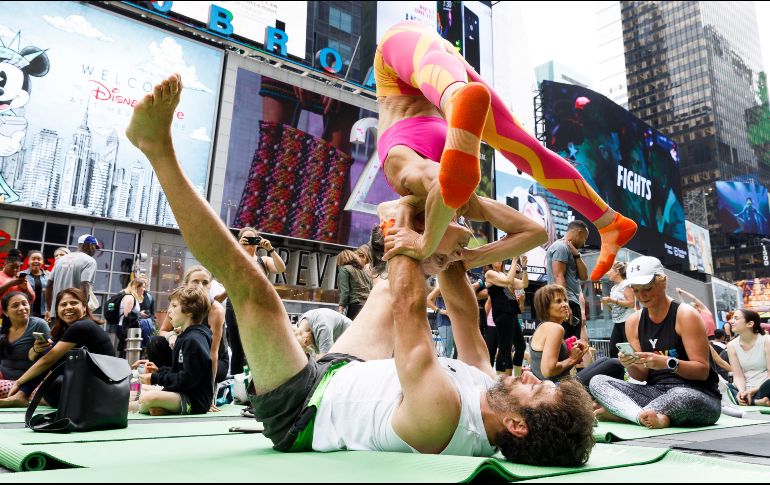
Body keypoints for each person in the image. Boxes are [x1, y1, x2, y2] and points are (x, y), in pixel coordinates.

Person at [124, 74, 596, 465]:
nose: (534, 377)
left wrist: (404, 224)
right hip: (347, 372)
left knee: (252, 288)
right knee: (394, 283)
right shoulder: (492, 389)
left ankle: (157, 149)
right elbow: (464, 317)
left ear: (516, 425)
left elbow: (413, 310)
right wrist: (450, 236)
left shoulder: (444, 419)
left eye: (538, 392)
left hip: (302, 410)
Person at [375, 21, 636, 280]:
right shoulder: (464, 205)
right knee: (528, 151)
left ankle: (456, 99)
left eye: (443, 257)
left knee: (450, 91)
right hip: (441, 75)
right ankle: (609, 221)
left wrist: (424, 247)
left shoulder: (401, 176)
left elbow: (439, 183)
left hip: (401, 64)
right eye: (449, 260)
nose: (456, 252)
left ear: (420, 227)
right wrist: (475, 257)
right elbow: (535, 233)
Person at [589, 256, 721, 429]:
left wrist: (667, 363)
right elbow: (641, 375)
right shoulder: (633, 321)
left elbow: (702, 372)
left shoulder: (685, 315)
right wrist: (630, 364)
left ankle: (626, 414)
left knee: (680, 395)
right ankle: (651, 416)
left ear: (663, 282)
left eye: (648, 288)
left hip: (697, 393)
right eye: (636, 290)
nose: (642, 295)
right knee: (598, 381)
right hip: (655, 392)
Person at [6, 288, 115, 408]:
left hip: (102, 388)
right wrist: (37, 349)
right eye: (63, 304)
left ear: (84, 307)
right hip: (91, 385)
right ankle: (22, 396)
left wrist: (19, 382)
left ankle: (23, 396)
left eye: (74, 303)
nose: (68, 307)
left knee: (54, 383)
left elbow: (47, 361)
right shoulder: (63, 330)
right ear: (57, 310)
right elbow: (32, 357)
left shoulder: (82, 326)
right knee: (48, 355)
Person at [130, 285, 213, 415]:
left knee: (149, 397)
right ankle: (160, 408)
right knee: (139, 388)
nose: (169, 311)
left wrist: (156, 378)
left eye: (174, 306)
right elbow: (180, 371)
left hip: (194, 401)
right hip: (181, 393)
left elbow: (187, 380)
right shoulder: (184, 337)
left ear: (190, 311)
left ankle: (128, 407)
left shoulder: (194, 340)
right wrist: (160, 370)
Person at [216, 227, 285, 376]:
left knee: (257, 348)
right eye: (246, 240)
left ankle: (257, 381)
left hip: (257, 309)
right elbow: (223, 277)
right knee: (237, 350)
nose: (250, 244)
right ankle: (236, 386)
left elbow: (281, 268)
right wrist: (237, 249)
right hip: (235, 307)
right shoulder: (234, 259)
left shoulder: (263, 260)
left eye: (253, 239)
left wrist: (271, 250)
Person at [149, 266, 228, 387]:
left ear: (210, 286)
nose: (200, 286)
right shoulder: (177, 303)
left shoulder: (216, 309)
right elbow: (163, 330)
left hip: (211, 359)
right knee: (156, 342)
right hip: (186, 353)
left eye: (205, 282)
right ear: (185, 284)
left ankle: (190, 391)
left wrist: (209, 392)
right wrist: (172, 336)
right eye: (195, 281)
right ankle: (165, 382)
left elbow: (213, 353)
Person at [529, 285, 624, 385]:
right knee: (615, 364)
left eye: (565, 300)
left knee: (604, 360)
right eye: (558, 301)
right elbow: (548, 371)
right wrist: (572, 359)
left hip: (549, 388)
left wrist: (575, 354)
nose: (565, 304)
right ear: (546, 307)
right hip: (555, 391)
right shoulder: (555, 328)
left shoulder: (543, 327)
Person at [0, 292, 50, 402]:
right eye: (15, 305)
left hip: (28, 385)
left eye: (24, 303)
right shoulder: (2, 331)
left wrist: (36, 349)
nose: (22, 308)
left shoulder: (39, 325)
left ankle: (21, 398)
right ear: (5, 312)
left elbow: (49, 359)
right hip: (4, 380)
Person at [484, 257, 528, 376]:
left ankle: (517, 378)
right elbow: (508, 281)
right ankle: (503, 383)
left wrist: (524, 267)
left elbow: (524, 284)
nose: (498, 259)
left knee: (520, 346)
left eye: (501, 257)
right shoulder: (490, 273)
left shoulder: (503, 275)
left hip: (511, 312)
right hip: (502, 314)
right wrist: (514, 259)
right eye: (496, 257)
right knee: (504, 349)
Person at [546, 221, 589, 342]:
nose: (584, 242)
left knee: (573, 343)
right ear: (579, 233)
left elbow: (584, 276)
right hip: (566, 302)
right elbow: (558, 276)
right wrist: (565, 304)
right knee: (568, 345)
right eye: (584, 238)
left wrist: (577, 255)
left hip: (570, 301)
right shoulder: (561, 247)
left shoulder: (571, 250)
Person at [45, 235, 97, 322]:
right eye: (95, 246)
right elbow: (84, 285)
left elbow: (49, 285)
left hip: (57, 311)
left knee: (57, 335)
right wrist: (84, 309)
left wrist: (49, 309)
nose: (95, 250)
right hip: (74, 313)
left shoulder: (60, 260)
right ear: (90, 245)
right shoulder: (89, 261)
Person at [725, 309, 770, 407]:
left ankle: (750, 400)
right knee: (721, 387)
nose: (731, 321)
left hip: (764, 386)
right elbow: (738, 376)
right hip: (746, 387)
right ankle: (755, 401)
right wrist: (742, 392)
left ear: (750, 324)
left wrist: (753, 390)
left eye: (736, 318)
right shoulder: (731, 345)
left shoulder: (767, 341)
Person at [602, 262, 636, 358]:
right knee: (613, 349)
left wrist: (612, 300)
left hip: (628, 321)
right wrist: (608, 303)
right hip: (618, 322)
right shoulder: (613, 288)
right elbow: (613, 308)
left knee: (629, 349)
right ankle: (617, 370)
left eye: (610, 270)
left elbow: (631, 303)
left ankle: (631, 371)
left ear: (617, 271)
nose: (607, 273)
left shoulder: (625, 284)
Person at [336, 249, 372, 321]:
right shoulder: (362, 270)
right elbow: (370, 286)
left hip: (355, 305)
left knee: (349, 329)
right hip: (367, 304)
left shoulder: (344, 269)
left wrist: (341, 307)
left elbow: (345, 290)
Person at [115, 278, 144, 358]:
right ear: (137, 287)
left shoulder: (132, 297)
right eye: (143, 287)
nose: (144, 289)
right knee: (125, 351)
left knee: (126, 351)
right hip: (124, 328)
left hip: (127, 328)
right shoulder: (130, 297)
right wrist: (139, 314)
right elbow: (127, 314)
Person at [427, 283, 454, 358]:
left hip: (452, 322)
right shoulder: (442, 285)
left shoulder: (454, 284)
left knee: (450, 351)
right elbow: (428, 300)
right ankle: (444, 369)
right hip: (445, 322)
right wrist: (440, 311)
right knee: (447, 352)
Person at [24, 251, 49, 319]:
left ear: (42, 262)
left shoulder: (49, 276)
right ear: (28, 261)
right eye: (33, 259)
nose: (36, 261)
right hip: (26, 312)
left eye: (39, 259)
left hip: (44, 312)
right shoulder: (21, 275)